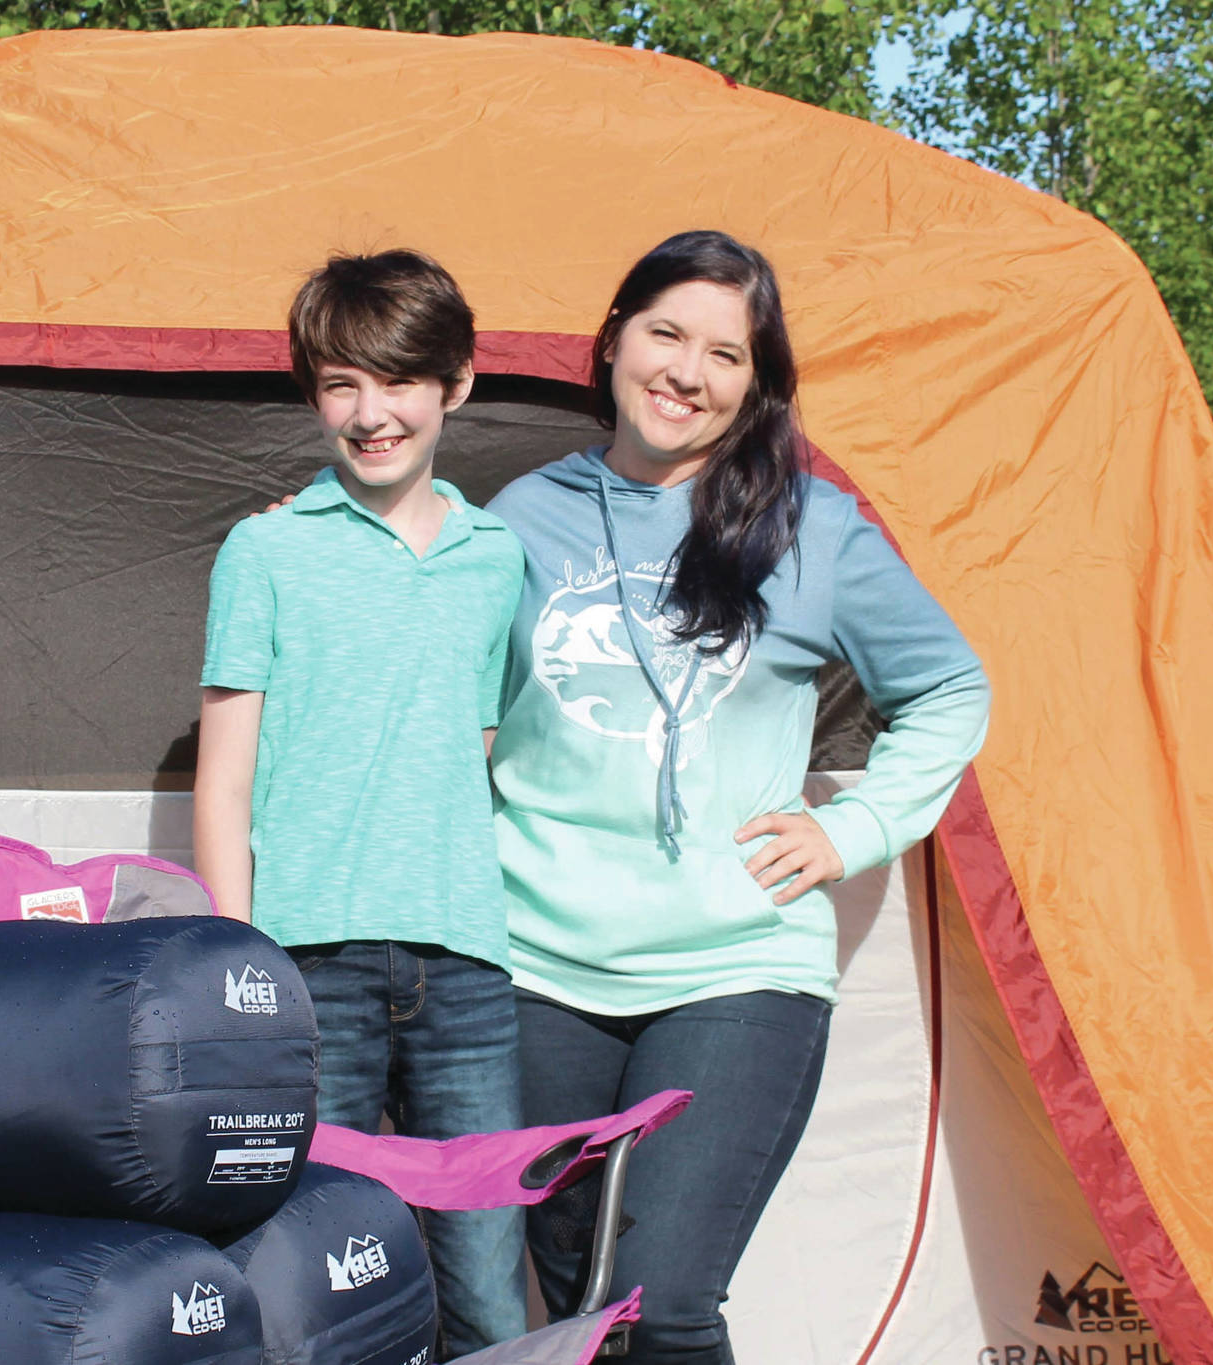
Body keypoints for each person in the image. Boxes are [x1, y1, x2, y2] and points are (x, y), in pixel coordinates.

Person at [487, 230, 991, 1363]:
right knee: (583, 1320)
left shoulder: (814, 529)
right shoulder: (517, 519)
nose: (686, 371)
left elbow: (950, 688)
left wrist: (850, 826)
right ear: (612, 340)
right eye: (665, 333)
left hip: (734, 966)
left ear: (755, 384)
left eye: (725, 354)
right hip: (530, 965)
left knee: (658, 1305)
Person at [194, 249, 530, 1356]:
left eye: (396, 382)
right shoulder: (265, 549)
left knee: (481, 1282)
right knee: (311, 1281)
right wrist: (244, 972)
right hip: (308, 966)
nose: (369, 412)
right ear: (313, 399)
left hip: (466, 967)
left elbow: (471, 745)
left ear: (455, 385)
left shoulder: (499, 560)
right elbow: (225, 774)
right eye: (341, 385)